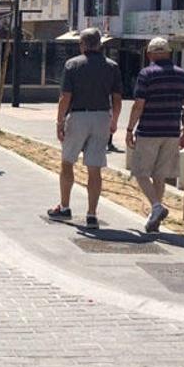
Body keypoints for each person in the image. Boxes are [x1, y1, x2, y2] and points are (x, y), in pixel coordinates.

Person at [48, 28, 123, 230]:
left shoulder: (72, 65)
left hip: (79, 115)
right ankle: (91, 214)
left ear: (82, 44)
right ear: (100, 44)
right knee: (94, 167)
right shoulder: (112, 67)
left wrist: (60, 122)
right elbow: (117, 98)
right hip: (101, 117)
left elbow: (65, 97)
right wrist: (114, 120)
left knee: (67, 162)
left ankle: (64, 207)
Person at [126, 37, 184, 233]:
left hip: (149, 130)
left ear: (151, 54)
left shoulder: (147, 74)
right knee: (160, 175)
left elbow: (139, 104)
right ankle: (153, 217)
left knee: (140, 172)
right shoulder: (183, 75)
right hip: (172, 131)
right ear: (169, 53)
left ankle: (156, 206)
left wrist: (130, 129)